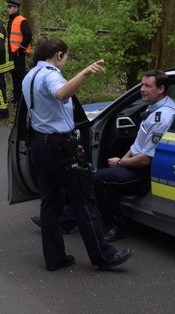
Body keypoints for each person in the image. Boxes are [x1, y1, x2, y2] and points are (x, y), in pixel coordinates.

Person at [23, 36, 132, 272]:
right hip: (58, 149)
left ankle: (55, 258)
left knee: (50, 204)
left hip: (41, 146)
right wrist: (85, 73)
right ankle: (103, 256)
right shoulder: (51, 74)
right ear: (59, 55)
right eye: (66, 56)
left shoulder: (30, 75)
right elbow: (61, 94)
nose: (65, 61)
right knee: (85, 199)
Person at [95, 69, 175, 241]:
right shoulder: (156, 105)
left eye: (148, 86)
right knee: (97, 176)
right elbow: (138, 144)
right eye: (142, 85)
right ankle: (68, 220)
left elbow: (145, 160)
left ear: (161, 89)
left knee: (100, 179)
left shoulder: (162, 118)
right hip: (135, 163)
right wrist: (124, 159)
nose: (142, 89)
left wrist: (120, 163)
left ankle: (117, 226)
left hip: (144, 173)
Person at [6, 0, 32, 103]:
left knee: (20, 76)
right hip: (12, 53)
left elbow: (28, 36)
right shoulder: (11, 20)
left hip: (19, 54)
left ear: (16, 8)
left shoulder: (22, 20)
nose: (8, 9)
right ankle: (16, 97)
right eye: (8, 7)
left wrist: (20, 49)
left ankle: (22, 99)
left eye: (10, 7)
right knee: (14, 76)